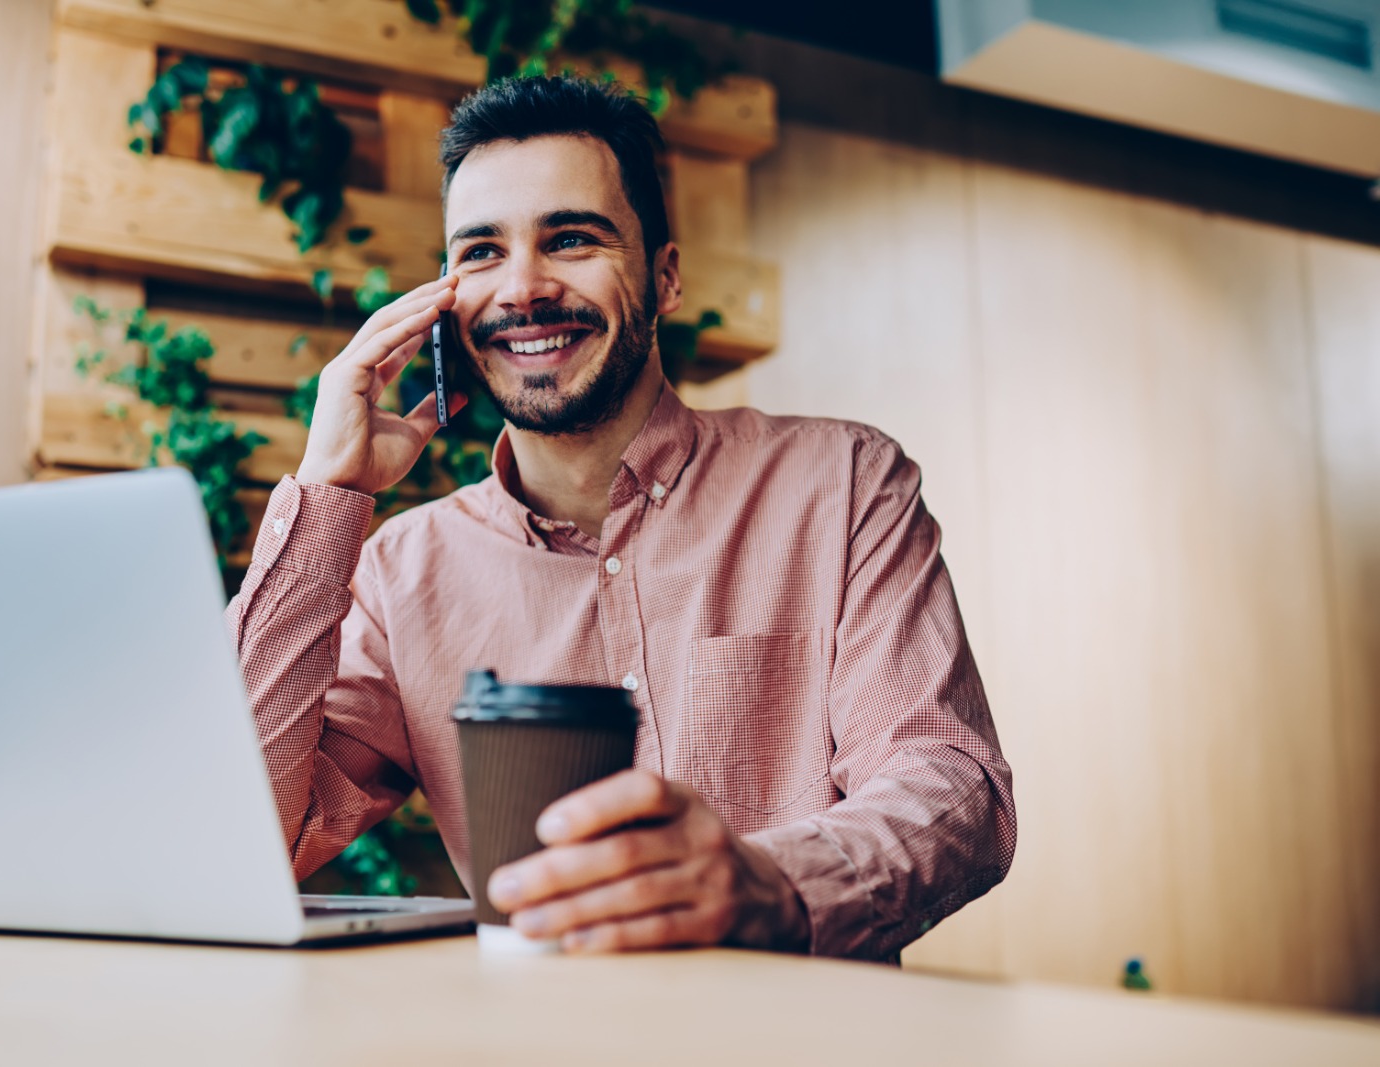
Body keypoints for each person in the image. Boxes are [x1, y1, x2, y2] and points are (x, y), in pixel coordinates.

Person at [226, 75, 1015, 959]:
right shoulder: (401, 570)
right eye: (481, 251)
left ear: (664, 277)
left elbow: (951, 785)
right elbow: (239, 844)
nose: (522, 288)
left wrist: (767, 881)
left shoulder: (846, 483)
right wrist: (328, 491)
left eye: (570, 239)